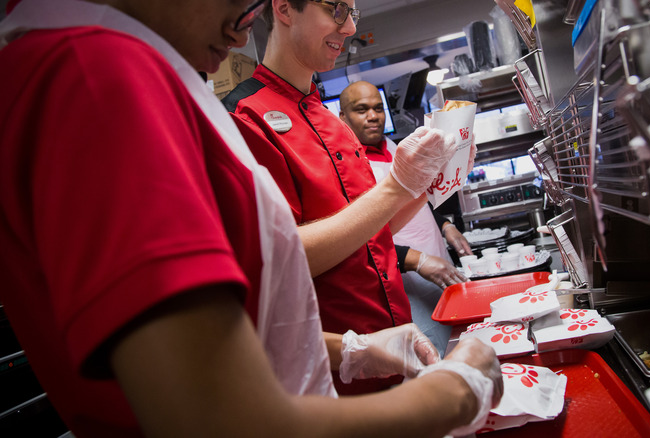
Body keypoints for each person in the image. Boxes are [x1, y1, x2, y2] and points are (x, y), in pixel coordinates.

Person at [0, 0, 503, 437]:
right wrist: (456, 393)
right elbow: (220, 421)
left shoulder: (108, 68)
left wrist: (351, 349)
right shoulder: (93, 74)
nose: (243, 29)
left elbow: (239, 305)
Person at [222, 0, 477, 394]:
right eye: (336, 9)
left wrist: (428, 179)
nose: (348, 29)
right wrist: (397, 185)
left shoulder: (330, 123)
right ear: (285, 8)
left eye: (352, 13)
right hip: (338, 370)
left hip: (396, 345)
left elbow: (375, 231)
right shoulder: (244, 117)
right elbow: (282, 259)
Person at [339, 80, 475, 355]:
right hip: (404, 279)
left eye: (378, 108)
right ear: (343, 118)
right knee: (430, 353)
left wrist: (445, 225)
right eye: (361, 109)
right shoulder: (344, 167)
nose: (373, 116)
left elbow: (417, 195)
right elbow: (359, 237)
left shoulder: (395, 148)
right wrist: (416, 260)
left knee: (460, 344)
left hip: (438, 263)